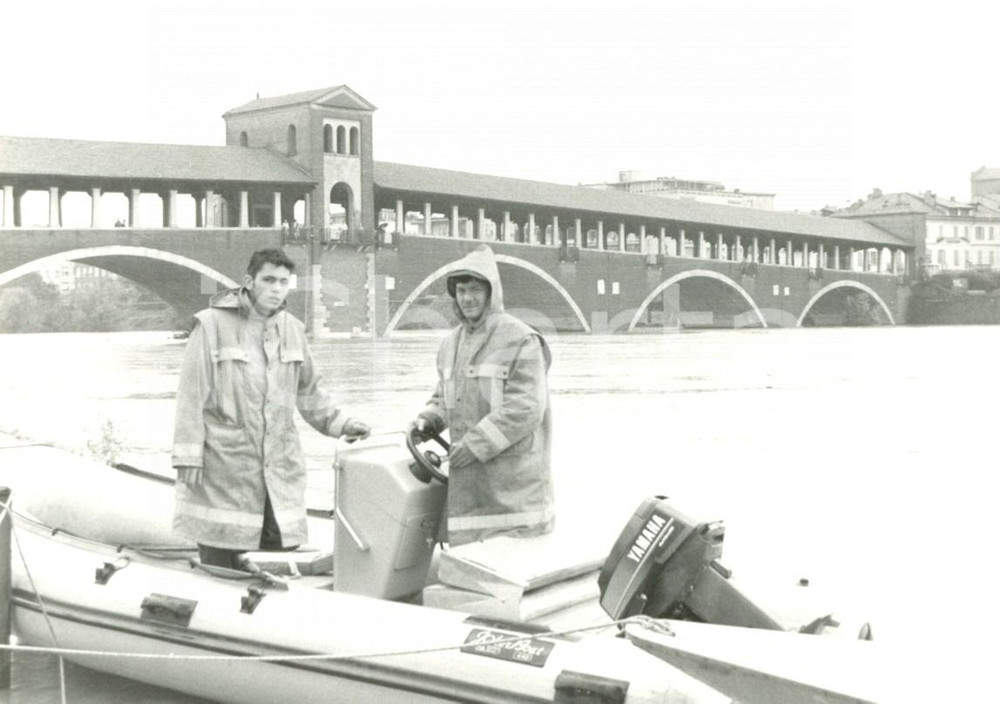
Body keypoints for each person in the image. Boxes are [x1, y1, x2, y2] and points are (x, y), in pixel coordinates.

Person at [172, 248, 369, 568]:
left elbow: (309, 391)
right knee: (220, 548)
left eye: (283, 281)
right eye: (268, 280)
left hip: (280, 463)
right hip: (225, 465)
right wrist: (187, 456)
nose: (276, 288)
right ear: (249, 281)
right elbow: (191, 395)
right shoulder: (210, 326)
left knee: (278, 552)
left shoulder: (293, 329)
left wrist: (341, 423)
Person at [411, 244, 554, 547]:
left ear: (492, 293)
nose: (468, 298)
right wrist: (430, 420)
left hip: (514, 496)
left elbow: (526, 407)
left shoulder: (521, 339)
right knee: (466, 568)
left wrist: (475, 445)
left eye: (475, 289)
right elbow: (446, 396)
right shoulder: (450, 344)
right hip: (469, 491)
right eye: (461, 290)